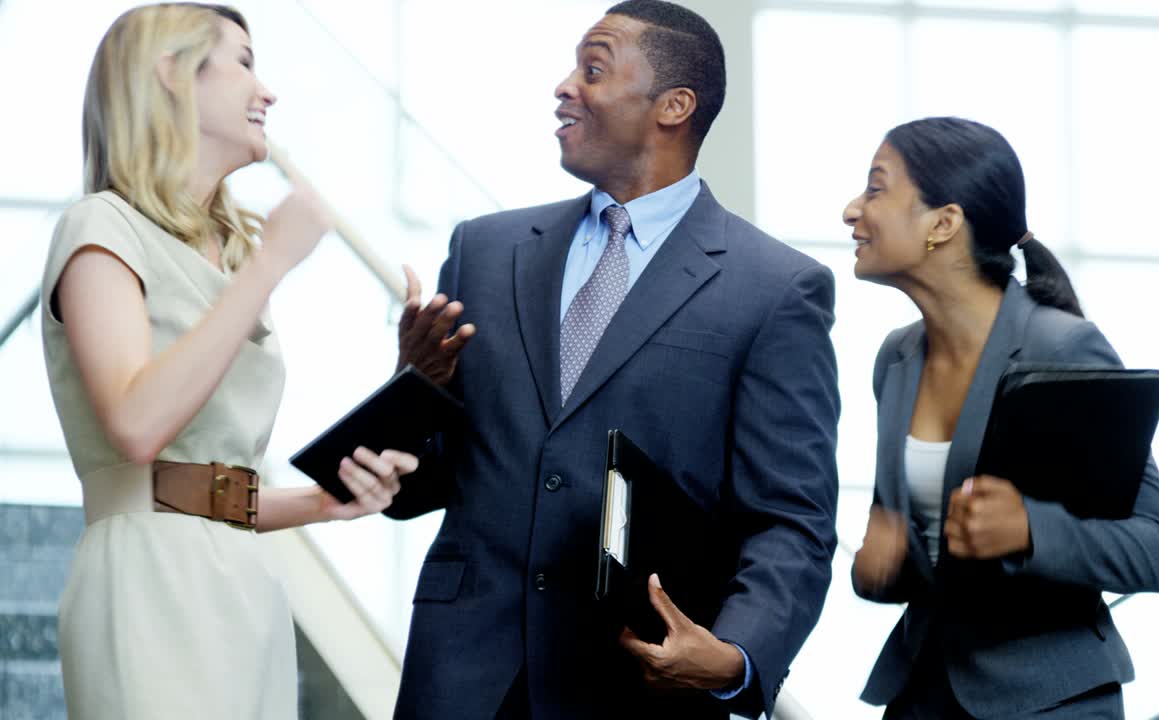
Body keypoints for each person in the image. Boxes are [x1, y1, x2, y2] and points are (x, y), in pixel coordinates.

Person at [389, 1, 840, 718]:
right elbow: (415, 485)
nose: (566, 86)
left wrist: (735, 655)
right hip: (464, 677)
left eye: (592, 68)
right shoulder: (484, 251)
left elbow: (790, 519)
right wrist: (417, 386)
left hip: (636, 685)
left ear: (674, 106)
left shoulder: (775, 289)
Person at [41, 5, 418, 718]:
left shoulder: (227, 256)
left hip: (242, 582)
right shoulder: (101, 227)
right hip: (148, 583)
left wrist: (323, 504)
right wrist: (272, 265)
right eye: (244, 61)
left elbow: (204, 489)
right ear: (171, 72)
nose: (267, 90)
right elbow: (136, 427)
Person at [843, 116, 1159, 718]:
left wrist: (1029, 529)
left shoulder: (1064, 349)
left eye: (876, 188)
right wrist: (884, 568)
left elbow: (1156, 550)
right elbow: (930, 554)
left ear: (943, 224)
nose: (852, 210)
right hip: (923, 691)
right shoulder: (895, 358)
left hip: (1050, 700)